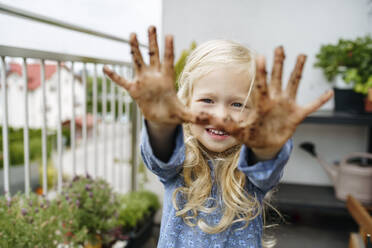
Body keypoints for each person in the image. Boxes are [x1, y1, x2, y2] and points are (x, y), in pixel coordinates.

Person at [103, 26, 333, 248]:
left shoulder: (250, 165)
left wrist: (265, 145)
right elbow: (160, 156)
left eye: (238, 104)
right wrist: (160, 123)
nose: (221, 116)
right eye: (207, 100)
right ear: (185, 102)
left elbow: (265, 166)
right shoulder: (178, 159)